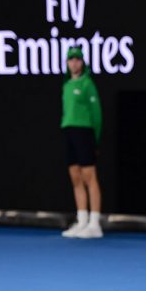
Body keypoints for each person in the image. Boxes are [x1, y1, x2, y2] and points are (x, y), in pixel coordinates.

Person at [60, 47, 103, 239]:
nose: (74, 62)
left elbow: (97, 115)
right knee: (75, 178)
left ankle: (95, 224)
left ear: (82, 62)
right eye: (71, 59)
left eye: (77, 59)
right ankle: (82, 220)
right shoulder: (67, 85)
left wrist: (95, 140)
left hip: (85, 132)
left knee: (89, 177)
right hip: (69, 131)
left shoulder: (88, 84)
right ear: (67, 62)